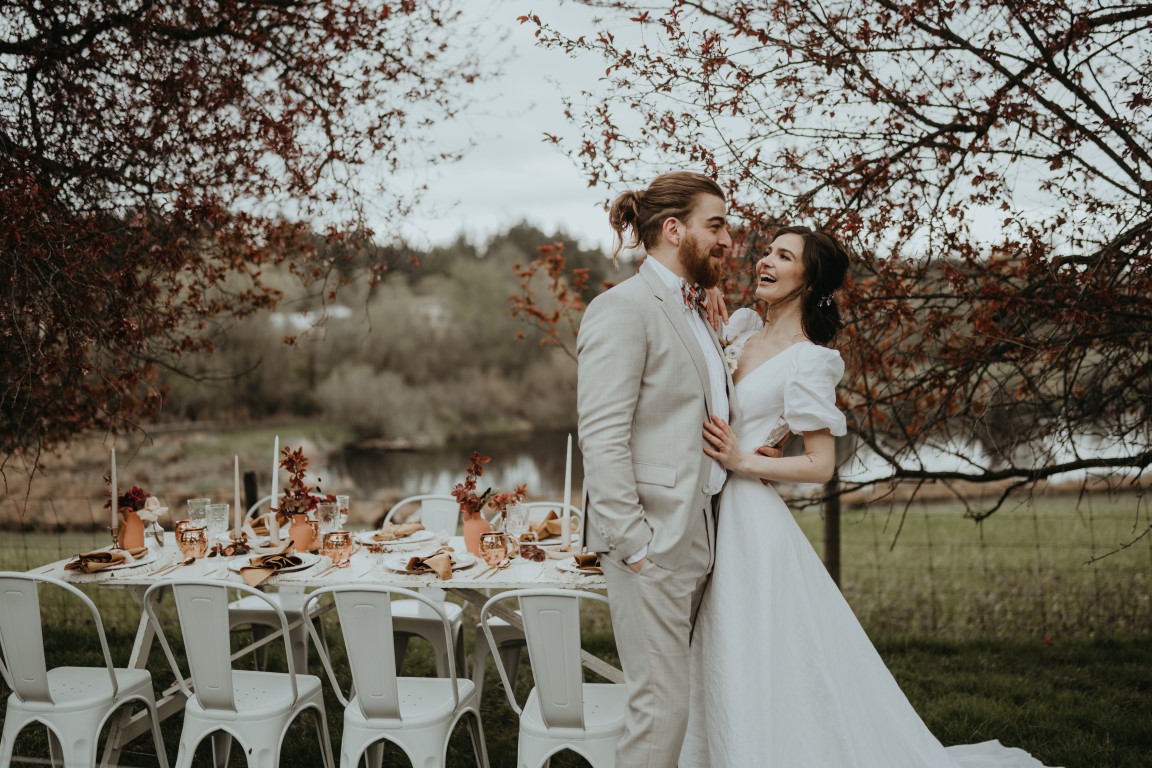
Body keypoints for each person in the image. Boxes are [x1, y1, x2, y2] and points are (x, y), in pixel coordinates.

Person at [679, 226, 1054, 768]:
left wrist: (743, 461)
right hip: (708, 506)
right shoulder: (736, 329)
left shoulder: (809, 360)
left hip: (748, 518)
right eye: (767, 251)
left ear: (809, 280)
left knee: (748, 644)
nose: (765, 261)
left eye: (783, 256)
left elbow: (821, 464)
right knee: (717, 647)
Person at [576, 170, 736, 767]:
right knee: (660, 708)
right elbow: (603, 436)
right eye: (715, 225)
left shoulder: (695, 309)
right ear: (674, 229)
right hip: (655, 542)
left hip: (698, 531)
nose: (728, 240)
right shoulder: (622, 309)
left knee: (680, 701)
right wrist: (637, 547)